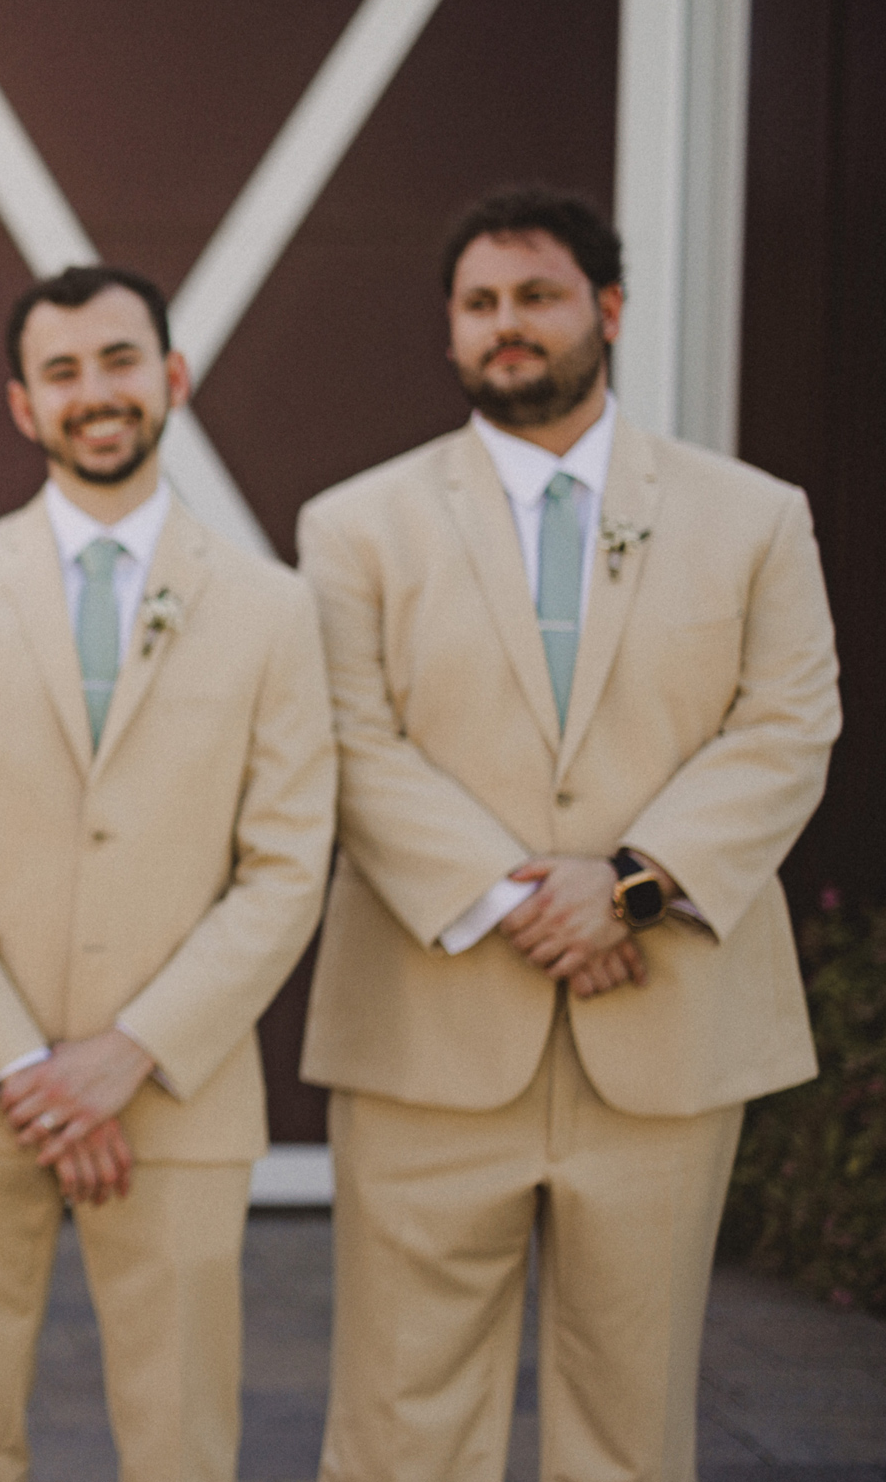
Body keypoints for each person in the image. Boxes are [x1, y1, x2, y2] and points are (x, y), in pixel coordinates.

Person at [298, 186, 839, 1481]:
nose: (507, 327)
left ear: (606, 310)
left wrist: (633, 888)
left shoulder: (755, 517)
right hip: (429, 1031)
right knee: (400, 1420)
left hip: (664, 1029)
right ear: (453, 333)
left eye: (535, 297)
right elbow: (349, 738)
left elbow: (787, 727)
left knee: (631, 1424)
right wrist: (525, 897)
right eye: (480, 306)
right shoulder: (355, 524)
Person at [0, 265, 336, 1482]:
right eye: (64, 371)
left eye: (121, 362)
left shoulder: (272, 608)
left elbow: (287, 866)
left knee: (183, 1442)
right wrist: (22, 1066)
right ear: (24, 404)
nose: (97, 392)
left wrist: (125, 1052)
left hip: (176, 1098)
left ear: (172, 380)